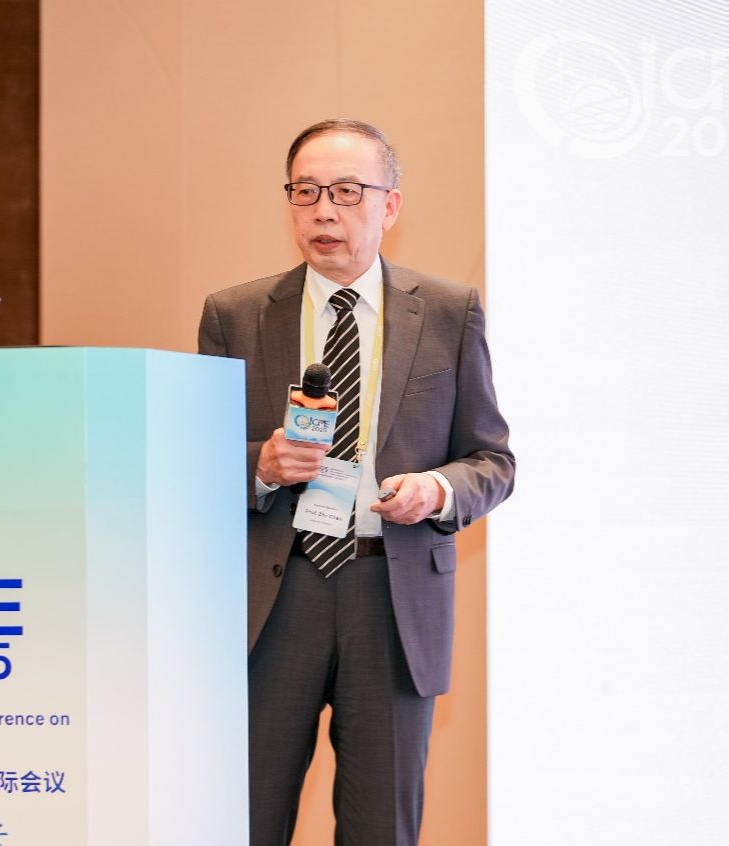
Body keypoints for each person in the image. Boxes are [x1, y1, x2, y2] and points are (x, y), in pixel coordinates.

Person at [198, 119, 514, 846]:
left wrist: (436, 492)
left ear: (389, 205)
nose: (324, 212)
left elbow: (492, 461)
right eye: (305, 192)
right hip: (274, 597)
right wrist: (260, 466)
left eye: (346, 191)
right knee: (243, 821)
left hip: (391, 598)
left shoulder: (448, 312)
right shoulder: (235, 316)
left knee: (381, 830)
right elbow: (193, 460)